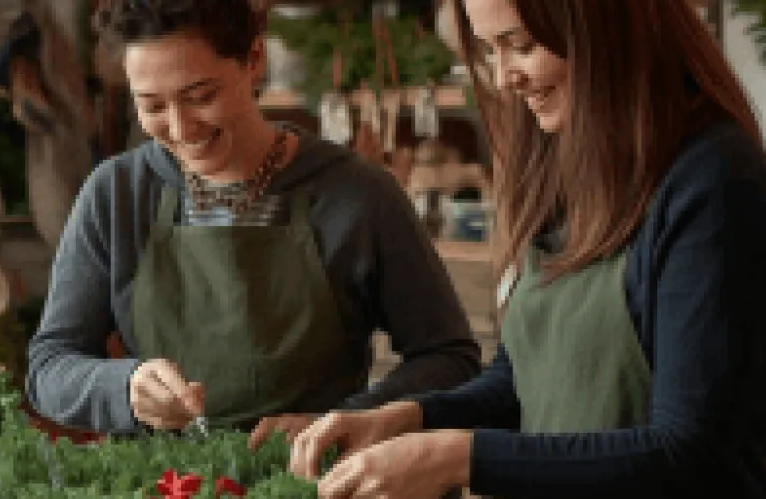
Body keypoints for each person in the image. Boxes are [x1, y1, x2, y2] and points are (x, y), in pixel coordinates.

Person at [269, 1, 766, 499]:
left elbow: (690, 453)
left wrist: (455, 457)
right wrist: (406, 419)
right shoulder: (573, 165)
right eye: (490, 50)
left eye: (518, 46)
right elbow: (526, 377)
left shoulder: (717, 185)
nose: (502, 78)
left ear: (601, 27)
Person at [25, 0, 482, 437]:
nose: (183, 130)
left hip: (314, 477)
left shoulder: (359, 195)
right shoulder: (115, 194)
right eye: (153, 106)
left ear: (254, 59)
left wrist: (347, 421)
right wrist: (124, 389)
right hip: (164, 484)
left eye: (201, 95)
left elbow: (449, 357)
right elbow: (49, 367)